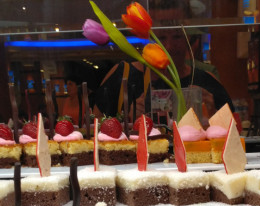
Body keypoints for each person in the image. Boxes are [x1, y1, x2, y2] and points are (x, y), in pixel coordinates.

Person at [94, 0, 233, 122]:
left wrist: (213, 114)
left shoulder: (206, 82)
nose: (169, 46)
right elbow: (94, 125)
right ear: (150, 38)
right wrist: (128, 120)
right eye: (161, 37)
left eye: (177, 36)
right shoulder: (123, 76)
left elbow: (235, 128)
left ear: (188, 36)